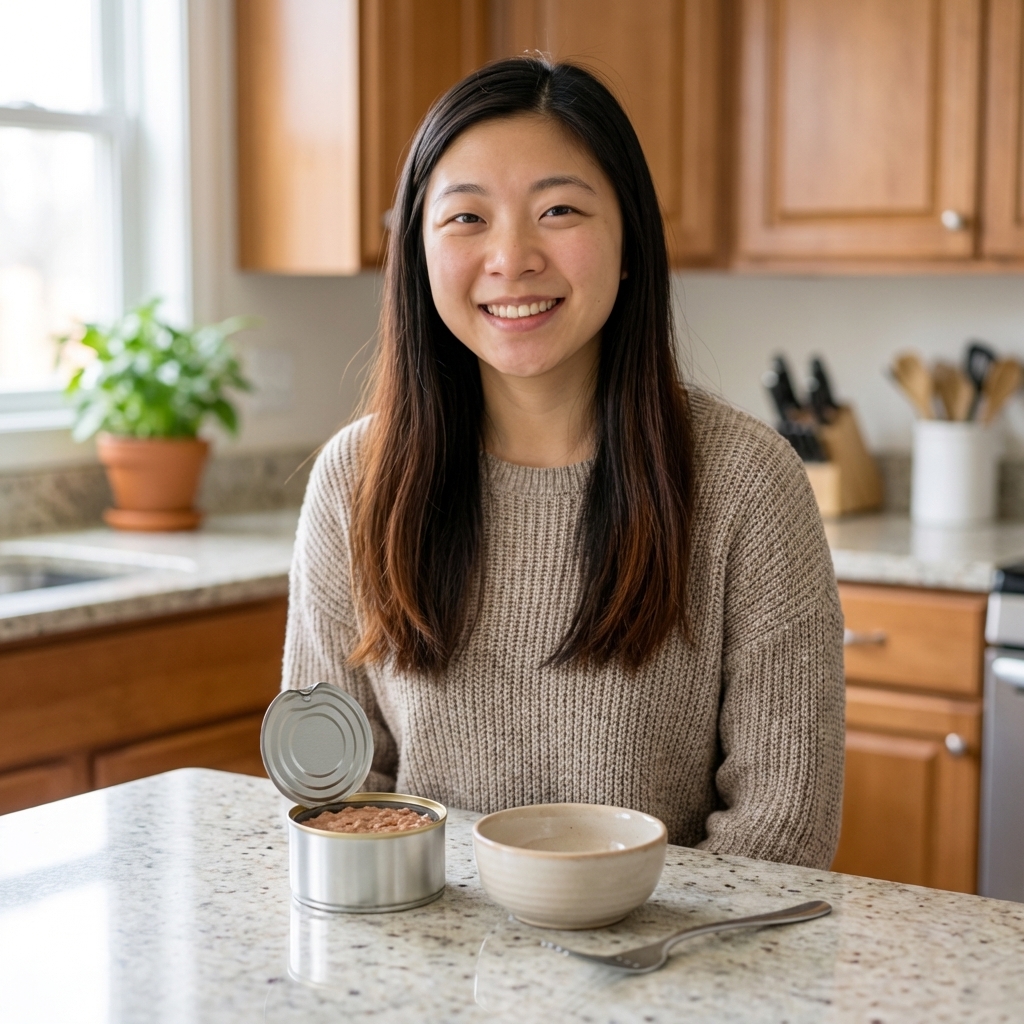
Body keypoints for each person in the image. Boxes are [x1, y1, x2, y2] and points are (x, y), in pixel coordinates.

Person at [283, 56, 844, 869]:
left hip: (666, 972)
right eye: (466, 218)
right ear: (418, 253)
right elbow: (334, 791)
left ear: (628, 244)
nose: (511, 258)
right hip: (426, 975)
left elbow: (782, 827)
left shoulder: (747, 483)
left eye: (558, 210)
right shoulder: (355, 479)